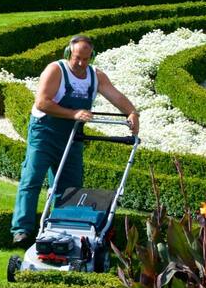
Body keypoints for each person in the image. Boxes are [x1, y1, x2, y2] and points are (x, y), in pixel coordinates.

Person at [11, 35, 139, 242]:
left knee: (70, 186)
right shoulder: (56, 70)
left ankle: (59, 230)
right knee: (32, 178)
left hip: (73, 136)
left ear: (92, 57)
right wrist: (73, 114)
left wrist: (132, 112)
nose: (81, 63)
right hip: (44, 132)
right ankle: (22, 230)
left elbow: (116, 96)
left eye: (86, 59)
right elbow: (42, 102)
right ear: (68, 53)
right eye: (77, 58)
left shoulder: (96, 76)